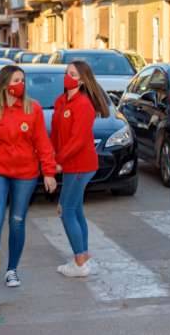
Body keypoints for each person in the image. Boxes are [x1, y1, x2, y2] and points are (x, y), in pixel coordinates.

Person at [0, 65, 57, 290]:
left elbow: (42, 143)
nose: (22, 85)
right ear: (6, 84)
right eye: (17, 80)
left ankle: (12, 270)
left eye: (23, 80)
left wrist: (48, 172)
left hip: (25, 173)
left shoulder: (33, 108)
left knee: (17, 221)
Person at [52, 60, 111, 278]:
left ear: (84, 80)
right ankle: (83, 255)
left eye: (74, 74)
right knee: (75, 210)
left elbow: (78, 140)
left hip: (81, 164)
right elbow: (56, 134)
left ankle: (79, 262)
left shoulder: (83, 104)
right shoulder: (61, 101)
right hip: (70, 165)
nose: (69, 77)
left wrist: (58, 159)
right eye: (67, 73)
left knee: (66, 211)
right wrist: (51, 155)